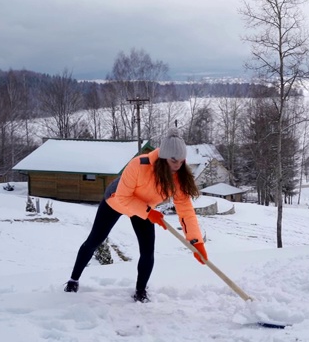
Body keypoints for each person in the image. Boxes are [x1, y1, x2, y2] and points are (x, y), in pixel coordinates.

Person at [64, 128, 207, 302]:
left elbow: (185, 208)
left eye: (181, 160)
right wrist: (149, 213)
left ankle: (140, 291)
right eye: (173, 160)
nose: (177, 165)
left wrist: (196, 241)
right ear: (163, 158)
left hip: (145, 210)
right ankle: (73, 280)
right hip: (116, 201)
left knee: (148, 251)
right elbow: (124, 197)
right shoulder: (139, 165)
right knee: (94, 240)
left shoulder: (179, 176)